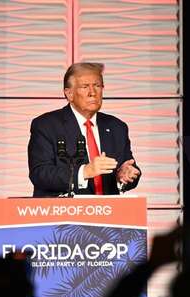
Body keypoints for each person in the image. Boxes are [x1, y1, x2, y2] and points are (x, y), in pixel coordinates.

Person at [28, 62, 141, 197]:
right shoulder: (46, 125)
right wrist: (84, 172)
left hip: (109, 213)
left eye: (97, 86)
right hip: (63, 213)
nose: (92, 93)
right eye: (85, 86)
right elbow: (40, 174)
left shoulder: (117, 127)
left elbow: (129, 166)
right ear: (69, 93)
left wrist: (124, 175)